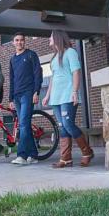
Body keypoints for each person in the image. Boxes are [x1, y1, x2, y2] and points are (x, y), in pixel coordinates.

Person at [42, 30, 94, 168]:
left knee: (68, 124)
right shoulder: (54, 58)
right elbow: (53, 78)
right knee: (62, 127)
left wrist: (75, 92)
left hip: (68, 95)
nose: (49, 39)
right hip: (56, 97)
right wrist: (47, 95)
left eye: (51, 37)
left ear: (58, 38)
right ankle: (66, 158)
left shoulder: (70, 52)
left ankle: (87, 152)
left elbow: (76, 72)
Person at [9, 33, 42, 165]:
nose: (19, 42)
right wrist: (10, 98)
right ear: (13, 43)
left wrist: (36, 92)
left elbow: (38, 74)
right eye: (17, 40)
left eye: (22, 40)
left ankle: (21, 155)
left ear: (24, 42)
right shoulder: (12, 59)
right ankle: (33, 155)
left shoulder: (31, 55)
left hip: (28, 94)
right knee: (25, 125)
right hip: (16, 96)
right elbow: (11, 79)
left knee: (23, 124)